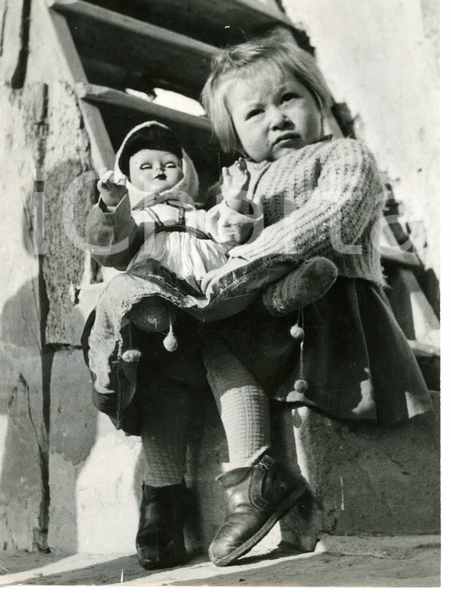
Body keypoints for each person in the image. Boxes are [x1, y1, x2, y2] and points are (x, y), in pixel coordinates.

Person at [82, 32, 432, 572]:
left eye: (289, 98)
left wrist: (242, 262)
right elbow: (221, 240)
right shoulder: (241, 181)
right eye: (255, 112)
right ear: (233, 136)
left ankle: (252, 480)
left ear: (318, 101)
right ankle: (217, 491)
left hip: (329, 308)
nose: (277, 118)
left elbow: (332, 218)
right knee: (181, 353)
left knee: (228, 333)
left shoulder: (343, 155)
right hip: (260, 311)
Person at [82, 116, 337, 569]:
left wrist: (236, 198)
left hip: (213, 302)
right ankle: (162, 507)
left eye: (168, 163)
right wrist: (109, 205)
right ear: (130, 179)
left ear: (186, 173)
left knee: (239, 319)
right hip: (161, 322)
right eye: (146, 166)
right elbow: (110, 248)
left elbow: (236, 233)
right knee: (162, 382)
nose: (159, 171)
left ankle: (254, 483)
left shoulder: (204, 215)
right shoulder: (141, 221)